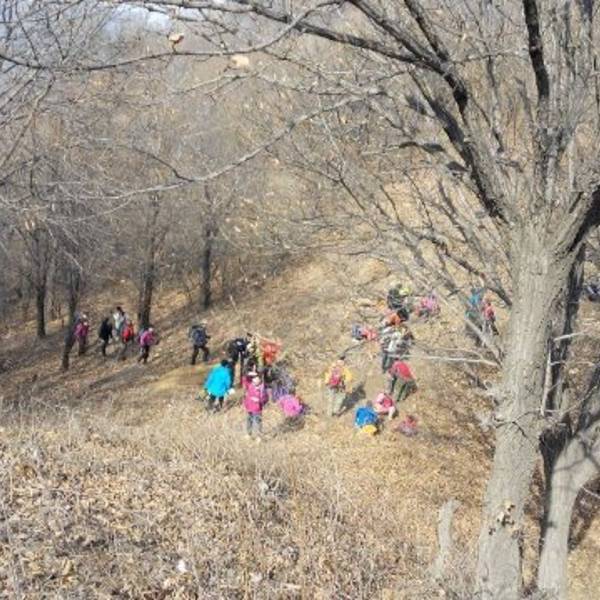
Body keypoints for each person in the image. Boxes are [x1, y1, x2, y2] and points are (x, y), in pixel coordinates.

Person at [243, 373, 268, 439]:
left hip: (257, 409)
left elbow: (265, 399)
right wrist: (249, 374)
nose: (255, 381)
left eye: (257, 379)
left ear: (260, 380)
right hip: (249, 407)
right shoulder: (250, 385)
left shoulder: (262, 388)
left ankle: (259, 436)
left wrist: (259, 400)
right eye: (254, 379)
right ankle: (249, 434)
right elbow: (245, 379)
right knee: (249, 421)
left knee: (258, 422)